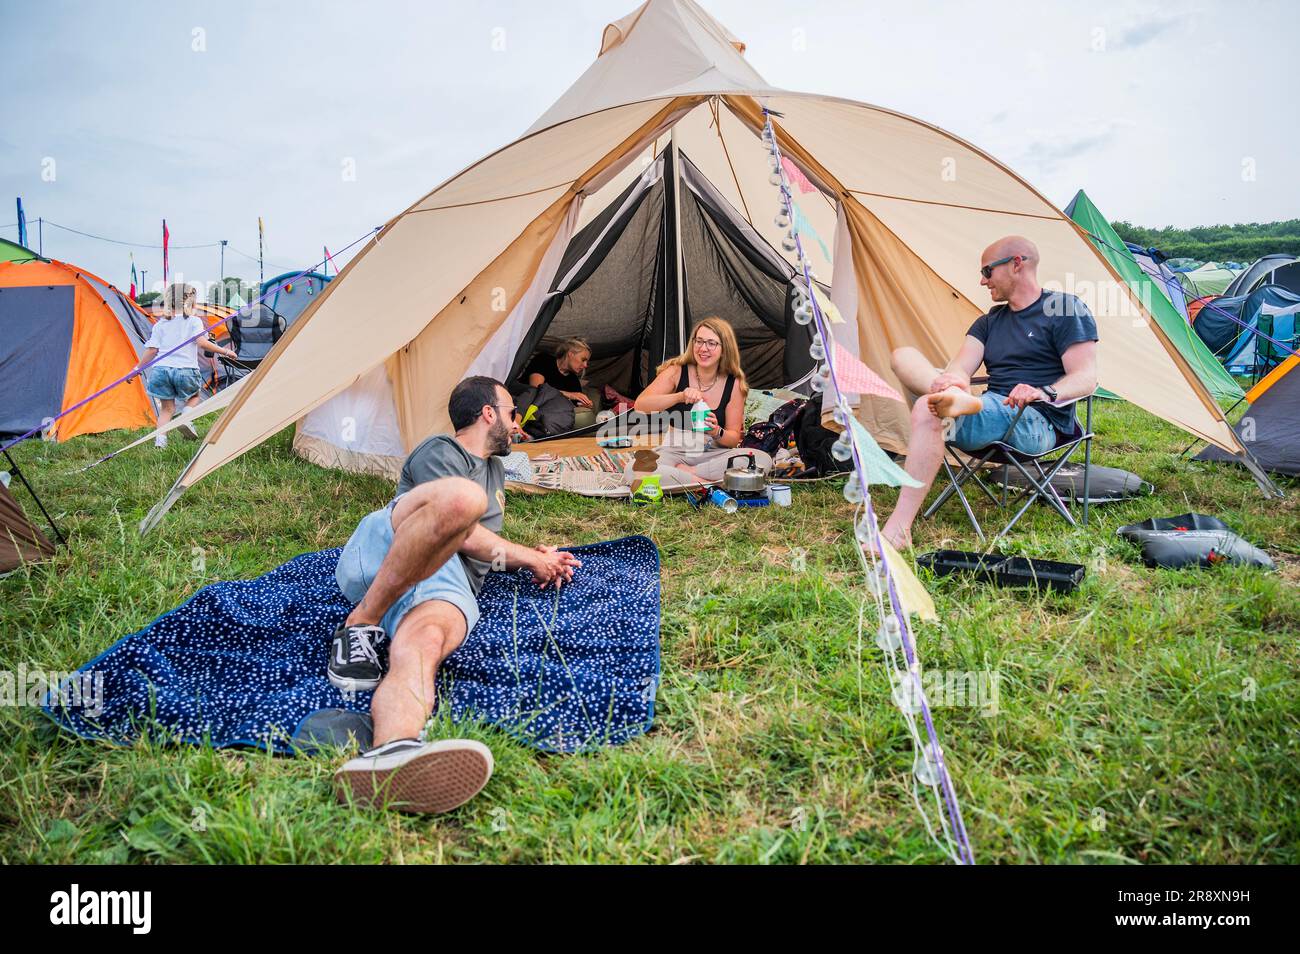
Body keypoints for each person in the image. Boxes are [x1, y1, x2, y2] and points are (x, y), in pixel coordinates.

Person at [331, 376, 581, 813]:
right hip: (391, 549)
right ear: (489, 414)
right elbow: (461, 531)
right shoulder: (441, 451)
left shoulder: (496, 470)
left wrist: (534, 556)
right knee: (463, 500)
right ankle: (360, 622)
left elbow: (484, 545)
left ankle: (392, 751)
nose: (517, 422)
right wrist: (529, 558)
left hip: (448, 583)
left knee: (423, 642)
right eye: (510, 412)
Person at [880, 236, 1098, 550]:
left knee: (928, 410)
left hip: (1034, 420)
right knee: (903, 356)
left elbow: (1086, 377)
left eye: (987, 270)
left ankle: (899, 528)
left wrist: (1042, 392)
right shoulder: (989, 322)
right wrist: (952, 380)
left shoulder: (1063, 308)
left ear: (1016, 264)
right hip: (988, 412)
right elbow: (960, 366)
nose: (982, 281)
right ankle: (953, 399)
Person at [626, 316, 772, 489]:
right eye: (699, 341)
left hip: (715, 455)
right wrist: (680, 396)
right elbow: (641, 405)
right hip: (676, 452)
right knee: (634, 469)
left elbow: (733, 439)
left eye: (712, 343)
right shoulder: (676, 371)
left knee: (762, 459)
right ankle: (710, 483)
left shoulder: (734, 384)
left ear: (724, 349)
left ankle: (687, 475)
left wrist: (717, 431)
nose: (703, 348)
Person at [129, 283, 237, 447]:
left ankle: (160, 442)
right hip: (185, 370)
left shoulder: (160, 324)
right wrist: (225, 351)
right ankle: (186, 416)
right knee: (194, 396)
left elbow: (152, 350)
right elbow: (202, 343)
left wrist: (137, 369)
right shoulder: (194, 321)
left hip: (161, 371)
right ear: (191, 303)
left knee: (166, 409)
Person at [525, 337, 592, 409]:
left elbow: (576, 403)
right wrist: (569, 394)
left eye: (587, 362)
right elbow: (537, 389)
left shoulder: (573, 380)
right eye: (583, 360)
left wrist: (584, 405)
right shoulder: (543, 359)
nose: (585, 365)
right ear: (571, 354)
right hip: (523, 403)